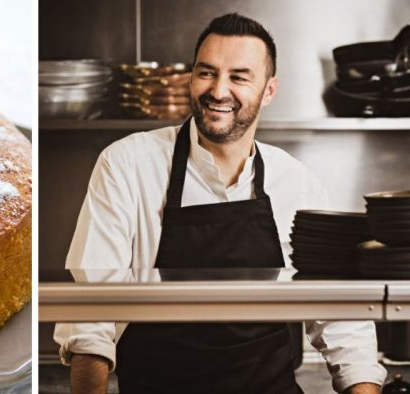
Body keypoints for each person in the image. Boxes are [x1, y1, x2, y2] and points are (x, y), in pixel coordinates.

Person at [53, 13, 387, 394]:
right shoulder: (128, 164)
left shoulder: (296, 181)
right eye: (206, 72)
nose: (218, 90)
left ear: (269, 90)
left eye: (239, 77)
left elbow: (340, 316)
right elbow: (92, 312)